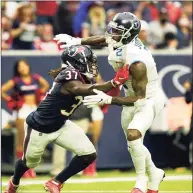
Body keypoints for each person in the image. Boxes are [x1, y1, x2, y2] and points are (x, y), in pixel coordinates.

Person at [54, 12, 165, 193]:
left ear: (128, 34)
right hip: (130, 93)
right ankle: (154, 173)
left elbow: (139, 98)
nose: (112, 33)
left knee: (133, 134)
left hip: (147, 98)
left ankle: (140, 182)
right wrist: (77, 41)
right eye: (113, 29)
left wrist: (109, 99)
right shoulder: (121, 41)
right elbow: (104, 39)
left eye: (117, 31)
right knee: (133, 143)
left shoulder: (137, 62)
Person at [5, 45, 129, 193]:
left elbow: (108, 94)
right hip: (40, 127)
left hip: (62, 124)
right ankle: (14, 182)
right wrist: (112, 82)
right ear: (76, 62)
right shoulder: (68, 74)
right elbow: (78, 89)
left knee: (89, 154)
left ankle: (56, 182)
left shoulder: (84, 77)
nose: (91, 64)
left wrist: (118, 83)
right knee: (29, 162)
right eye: (88, 61)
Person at [2, 59, 49, 178]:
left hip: (34, 109)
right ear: (17, 69)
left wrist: (40, 94)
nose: (22, 68)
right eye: (20, 67)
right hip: (22, 111)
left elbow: (46, 85)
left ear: (28, 67)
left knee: (33, 140)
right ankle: (21, 169)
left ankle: (30, 167)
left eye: (24, 66)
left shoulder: (35, 77)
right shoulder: (16, 81)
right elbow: (2, 91)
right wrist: (10, 100)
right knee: (22, 141)